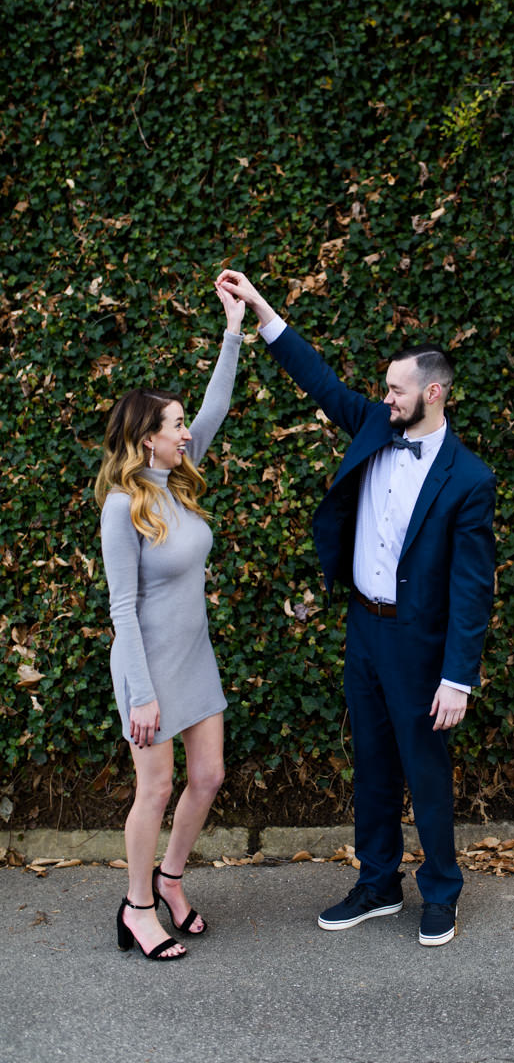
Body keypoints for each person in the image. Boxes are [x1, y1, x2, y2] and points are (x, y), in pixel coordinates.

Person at [217, 268, 496, 947]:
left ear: (431, 393)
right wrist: (262, 312)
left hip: (419, 645)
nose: (384, 396)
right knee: (371, 763)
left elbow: (472, 586)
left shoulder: (469, 478)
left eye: (397, 388)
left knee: (424, 773)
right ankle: (375, 883)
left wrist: (457, 676)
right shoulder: (374, 424)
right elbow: (320, 382)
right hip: (362, 630)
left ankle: (441, 892)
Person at [95, 281, 246, 960]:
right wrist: (142, 692)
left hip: (195, 655)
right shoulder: (122, 507)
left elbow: (217, 405)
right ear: (147, 440)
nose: (188, 431)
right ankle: (136, 907)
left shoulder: (180, 477)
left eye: (185, 425)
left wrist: (233, 329)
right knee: (153, 787)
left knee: (208, 777)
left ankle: (172, 879)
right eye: (176, 425)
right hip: (146, 666)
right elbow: (121, 608)